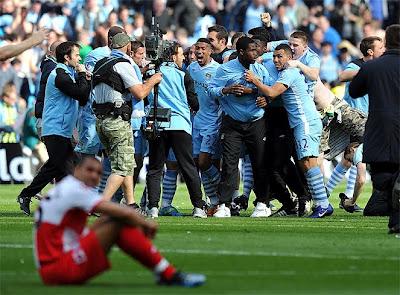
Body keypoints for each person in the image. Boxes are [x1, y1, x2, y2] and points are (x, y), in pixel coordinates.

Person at [33, 156, 206, 287]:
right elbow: (117, 210)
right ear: (77, 170)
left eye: (99, 173)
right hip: (58, 269)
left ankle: (165, 272)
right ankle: (168, 273)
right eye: (89, 170)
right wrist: (145, 222)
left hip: (53, 265)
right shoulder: (74, 190)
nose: (94, 175)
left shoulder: (67, 186)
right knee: (119, 220)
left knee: (115, 219)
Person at [245, 44, 332, 218]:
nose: (276, 60)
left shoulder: (289, 73)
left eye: (280, 57)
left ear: (289, 57)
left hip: (305, 121)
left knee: (308, 161)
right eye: (274, 57)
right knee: (304, 162)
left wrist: (255, 80)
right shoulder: (286, 73)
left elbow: (271, 92)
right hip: (300, 122)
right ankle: (320, 203)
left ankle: (323, 204)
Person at [17, 41, 91, 215]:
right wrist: (82, 75)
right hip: (55, 128)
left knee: (62, 166)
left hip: (62, 129)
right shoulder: (59, 73)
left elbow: (82, 96)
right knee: (62, 166)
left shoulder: (66, 73)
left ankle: (58, 203)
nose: (79, 59)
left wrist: (83, 78)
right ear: (66, 57)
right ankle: (29, 195)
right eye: (77, 55)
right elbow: (81, 94)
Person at [93, 32, 162, 208]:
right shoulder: (123, 64)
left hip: (101, 121)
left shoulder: (101, 63)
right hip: (117, 121)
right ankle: (100, 204)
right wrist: (153, 80)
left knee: (125, 163)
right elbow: (139, 93)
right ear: (128, 47)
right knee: (122, 168)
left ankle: (130, 203)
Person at [209, 36, 271, 218]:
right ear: (241, 52)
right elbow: (211, 90)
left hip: (256, 121)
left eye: (257, 49)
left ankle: (262, 203)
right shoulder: (225, 69)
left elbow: (270, 91)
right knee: (229, 163)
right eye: (252, 50)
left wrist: (259, 95)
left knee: (260, 162)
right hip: (232, 123)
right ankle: (224, 205)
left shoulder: (260, 69)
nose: (256, 53)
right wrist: (227, 90)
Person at [145, 42, 207, 218]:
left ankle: (153, 208)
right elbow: (194, 103)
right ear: (172, 56)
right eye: (181, 55)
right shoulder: (183, 74)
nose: (183, 58)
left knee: (156, 168)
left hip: (157, 124)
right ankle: (198, 207)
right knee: (188, 167)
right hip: (179, 124)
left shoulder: (151, 73)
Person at [349, 24, 400, 234]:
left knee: (381, 177)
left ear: (386, 42)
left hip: (379, 128)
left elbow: (354, 91)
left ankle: (393, 213)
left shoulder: (372, 67)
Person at [188, 38, 221, 214]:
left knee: (204, 161)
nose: (198, 52)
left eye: (202, 49)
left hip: (212, 122)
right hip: (196, 121)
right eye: (196, 49)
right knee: (196, 162)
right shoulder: (191, 68)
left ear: (210, 51)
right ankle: (214, 201)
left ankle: (223, 192)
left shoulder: (218, 70)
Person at [34, 41, 62, 138]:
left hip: (48, 118)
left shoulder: (51, 66)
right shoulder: (52, 68)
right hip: (48, 119)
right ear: (50, 53)